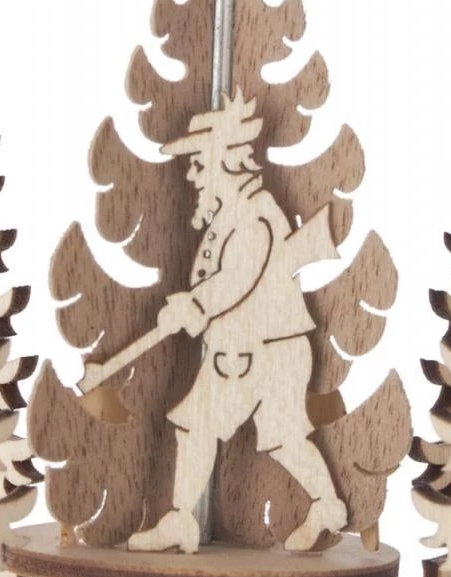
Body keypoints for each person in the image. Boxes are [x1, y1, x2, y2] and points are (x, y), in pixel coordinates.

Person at [127, 91, 347, 553]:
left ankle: (184, 520)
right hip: (251, 348)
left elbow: (236, 278)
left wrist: (194, 305)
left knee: (214, 428)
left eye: (198, 165)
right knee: (261, 436)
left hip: (258, 352)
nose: (192, 175)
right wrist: (191, 308)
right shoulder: (232, 212)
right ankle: (324, 505)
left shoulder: (252, 214)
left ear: (225, 162)